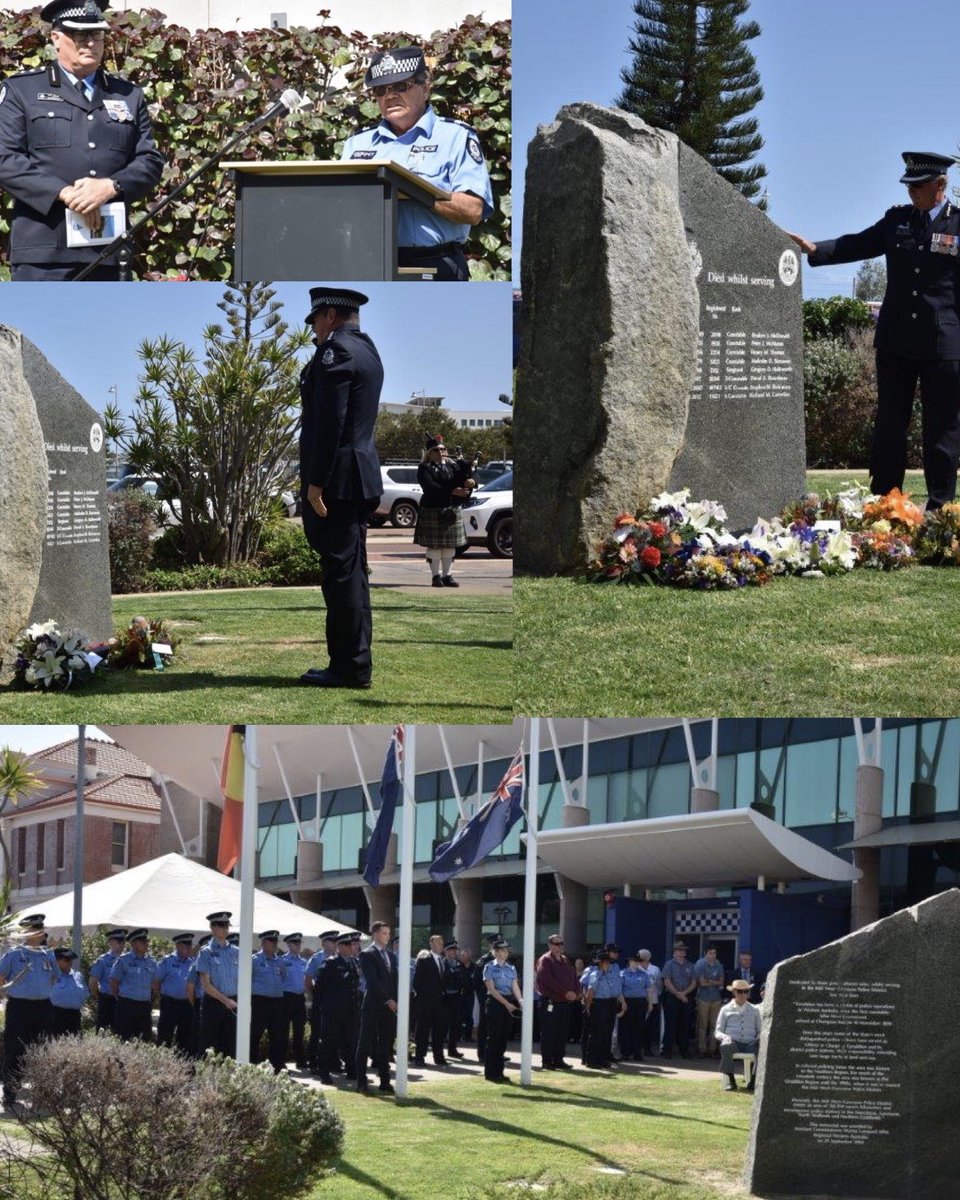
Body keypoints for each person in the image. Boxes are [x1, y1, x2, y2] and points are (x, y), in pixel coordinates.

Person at [789, 151, 960, 510]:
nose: (912, 192)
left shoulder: (957, 224)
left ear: (940, 185)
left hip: (942, 344)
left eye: (919, 186)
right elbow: (859, 243)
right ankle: (884, 502)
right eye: (909, 186)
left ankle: (939, 507)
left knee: (942, 428)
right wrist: (816, 249)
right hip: (896, 341)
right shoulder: (896, 220)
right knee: (889, 424)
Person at [0, 0, 165, 280]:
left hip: (108, 251)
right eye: (80, 35)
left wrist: (110, 186)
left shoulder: (127, 95)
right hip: (44, 253)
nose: (90, 43)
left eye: (97, 34)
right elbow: (6, 159)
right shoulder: (22, 90)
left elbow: (149, 161)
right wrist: (67, 194)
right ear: (56, 38)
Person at [340, 45, 494, 281]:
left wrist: (412, 188)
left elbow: (473, 210)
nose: (390, 96)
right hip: (371, 264)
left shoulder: (455, 136)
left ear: (425, 88)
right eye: (380, 90)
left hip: (437, 264)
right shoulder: (357, 144)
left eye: (401, 86)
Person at [298, 286, 383, 689]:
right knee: (352, 573)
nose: (314, 329)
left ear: (330, 315)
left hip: (337, 482)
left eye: (315, 320)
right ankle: (355, 662)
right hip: (358, 477)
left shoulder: (336, 352)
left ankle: (348, 666)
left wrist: (316, 483)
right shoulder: (368, 349)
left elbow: (330, 423)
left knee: (341, 576)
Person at [0, 914, 55, 1106]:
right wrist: (4, 992)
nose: (40, 932)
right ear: (26, 932)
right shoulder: (14, 954)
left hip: (44, 1007)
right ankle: (10, 1093)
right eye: (35, 929)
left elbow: (54, 977)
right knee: (15, 1049)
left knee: (43, 1049)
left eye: (40, 928)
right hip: (20, 1008)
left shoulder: (48, 954)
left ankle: (43, 1092)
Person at [414, 435, 476, 587]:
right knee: (435, 547)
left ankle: (447, 576)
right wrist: (452, 491)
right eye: (436, 450)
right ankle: (436, 577)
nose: (441, 452)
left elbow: (468, 474)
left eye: (443, 449)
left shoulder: (453, 466)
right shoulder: (424, 468)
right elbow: (430, 487)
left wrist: (473, 481)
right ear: (430, 453)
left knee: (450, 546)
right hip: (433, 508)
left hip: (452, 508)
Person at [356, 921, 398, 1094]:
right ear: (375, 934)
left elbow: (393, 981)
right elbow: (373, 981)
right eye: (383, 933)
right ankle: (361, 1082)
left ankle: (385, 1081)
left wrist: (395, 1000)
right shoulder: (367, 954)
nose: (387, 936)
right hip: (373, 1005)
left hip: (389, 1008)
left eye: (388, 933)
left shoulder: (391, 955)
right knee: (365, 1044)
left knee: (385, 1045)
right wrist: (388, 1000)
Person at [196, 911, 240, 1058]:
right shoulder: (206, 952)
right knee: (209, 1046)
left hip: (233, 1002)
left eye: (227, 925)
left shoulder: (237, 952)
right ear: (212, 927)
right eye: (221, 925)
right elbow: (206, 985)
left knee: (230, 1046)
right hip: (214, 1004)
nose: (225, 928)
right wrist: (226, 1001)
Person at [534, 934, 579, 1070]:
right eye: (556, 944)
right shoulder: (545, 960)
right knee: (549, 1032)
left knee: (562, 1033)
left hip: (564, 1003)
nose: (559, 946)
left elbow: (574, 977)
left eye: (561, 944)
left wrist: (575, 992)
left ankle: (558, 1059)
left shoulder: (565, 960)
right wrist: (566, 992)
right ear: (550, 945)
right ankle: (547, 1061)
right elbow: (548, 980)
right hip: (550, 1002)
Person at [109, 928, 157, 1042]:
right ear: (133, 944)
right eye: (143, 941)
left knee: (144, 1039)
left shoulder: (151, 962)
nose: (146, 944)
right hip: (127, 1004)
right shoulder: (123, 960)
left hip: (144, 1006)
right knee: (124, 1037)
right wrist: (120, 999)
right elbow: (114, 982)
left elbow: (154, 983)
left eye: (147, 941)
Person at [250, 930, 288, 1073]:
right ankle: (251, 1065)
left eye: (276, 941)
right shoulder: (254, 960)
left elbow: (283, 977)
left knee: (278, 1036)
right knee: (255, 1035)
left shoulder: (279, 960)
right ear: (264, 942)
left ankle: (277, 1067)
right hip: (260, 1002)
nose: (275, 944)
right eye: (272, 941)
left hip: (277, 1002)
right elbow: (247, 979)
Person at [716, 979, 763, 1092]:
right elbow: (717, 1031)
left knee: (762, 1047)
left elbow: (760, 1030)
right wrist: (725, 1037)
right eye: (739, 991)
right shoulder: (725, 1009)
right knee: (725, 1046)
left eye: (746, 991)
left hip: (750, 1044)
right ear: (734, 992)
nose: (743, 994)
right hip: (733, 1043)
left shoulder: (755, 1010)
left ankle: (753, 1081)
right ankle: (731, 1081)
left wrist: (759, 1038)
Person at [582, 951, 625, 1069]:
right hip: (598, 1004)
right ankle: (592, 1060)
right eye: (607, 963)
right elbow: (590, 991)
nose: (609, 965)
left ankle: (600, 1059)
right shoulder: (595, 974)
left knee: (603, 1033)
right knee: (596, 1033)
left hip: (606, 1003)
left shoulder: (606, 974)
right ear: (601, 963)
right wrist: (588, 1006)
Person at [305, 928, 340, 1073]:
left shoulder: (339, 957)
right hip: (320, 1001)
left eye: (336, 941)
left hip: (335, 1002)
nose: (335, 943)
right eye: (332, 941)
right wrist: (312, 1000)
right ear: (324, 943)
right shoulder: (317, 958)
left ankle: (333, 1062)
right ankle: (313, 1063)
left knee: (333, 1033)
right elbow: (308, 980)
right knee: (317, 1033)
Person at [155, 932, 194, 1054]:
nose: (189, 948)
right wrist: (161, 996)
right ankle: (162, 1059)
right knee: (165, 1035)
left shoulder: (192, 962)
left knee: (185, 1037)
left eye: (190, 945)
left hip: (186, 1005)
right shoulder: (167, 961)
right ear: (178, 946)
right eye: (186, 946)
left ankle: (181, 1061)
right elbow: (156, 982)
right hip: (169, 1003)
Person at [412, 933, 447, 1066]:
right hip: (425, 1002)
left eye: (442, 943)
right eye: (438, 943)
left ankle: (439, 1057)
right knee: (423, 1030)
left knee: (439, 1030)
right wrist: (424, 996)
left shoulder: (443, 961)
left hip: (440, 1002)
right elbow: (416, 982)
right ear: (431, 944)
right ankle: (419, 1057)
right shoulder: (424, 960)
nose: (441, 946)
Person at [660, 941, 697, 1059]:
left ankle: (684, 1050)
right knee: (670, 1024)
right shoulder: (669, 964)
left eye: (683, 950)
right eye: (680, 950)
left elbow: (694, 982)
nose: (682, 952)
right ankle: (667, 1050)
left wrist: (684, 993)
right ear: (675, 952)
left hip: (686, 997)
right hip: (672, 997)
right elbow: (667, 981)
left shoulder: (690, 965)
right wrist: (678, 994)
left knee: (685, 1024)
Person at [280, 933, 309, 1070]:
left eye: (299, 943)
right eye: (294, 943)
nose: (297, 946)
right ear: (288, 944)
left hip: (299, 998)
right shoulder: (282, 961)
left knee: (299, 1031)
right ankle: (281, 1061)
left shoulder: (304, 962)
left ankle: (300, 1060)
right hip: (286, 998)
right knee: (283, 1031)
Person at [89, 926, 126, 1031]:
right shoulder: (103, 960)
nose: (122, 944)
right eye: (118, 941)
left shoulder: (128, 960)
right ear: (110, 943)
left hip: (123, 999)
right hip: (107, 999)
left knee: (121, 1030)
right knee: (103, 1028)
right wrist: (98, 996)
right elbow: (93, 981)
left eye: (123, 941)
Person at [618, 952, 654, 1063]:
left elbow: (648, 990)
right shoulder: (622, 974)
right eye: (634, 961)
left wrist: (650, 1003)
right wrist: (623, 1003)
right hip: (627, 1002)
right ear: (629, 962)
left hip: (641, 1003)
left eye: (638, 961)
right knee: (625, 1028)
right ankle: (625, 1053)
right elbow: (619, 990)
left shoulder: (643, 974)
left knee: (639, 1029)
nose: (636, 963)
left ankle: (637, 1053)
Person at [693, 944, 726, 1059]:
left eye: (714, 953)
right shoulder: (700, 964)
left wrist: (709, 981)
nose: (713, 955)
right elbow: (702, 983)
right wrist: (714, 982)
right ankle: (701, 1049)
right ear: (705, 954)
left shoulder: (719, 965)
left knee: (714, 1025)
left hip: (716, 998)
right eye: (710, 953)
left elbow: (721, 982)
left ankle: (712, 1049)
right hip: (703, 998)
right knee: (702, 1024)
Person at [50, 947, 89, 1036]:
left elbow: (85, 994)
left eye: (70, 959)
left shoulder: (78, 976)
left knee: (75, 1042)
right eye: (66, 960)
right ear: (56, 961)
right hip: (55, 1015)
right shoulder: (50, 975)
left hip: (74, 1016)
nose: (70, 962)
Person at [440, 940, 467, 1059]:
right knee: (442, 1025)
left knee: (455, 1025)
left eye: (455, 950)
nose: (454, 952)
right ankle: (439, 1051)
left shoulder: (459, 964)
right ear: (445, 951)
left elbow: (463, 979)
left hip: (456, 996)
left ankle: (452, 1049)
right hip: (444, 997)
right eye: (451, 950)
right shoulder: (442, 963)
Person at [636, 949, 662, 1056]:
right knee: (638, 1025)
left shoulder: (655, 969)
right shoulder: (636, 968)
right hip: (640, 1001)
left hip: (653, 1001)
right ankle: (637, 1048)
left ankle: (647, 1049)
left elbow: (659, 985)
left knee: (649, 1026)